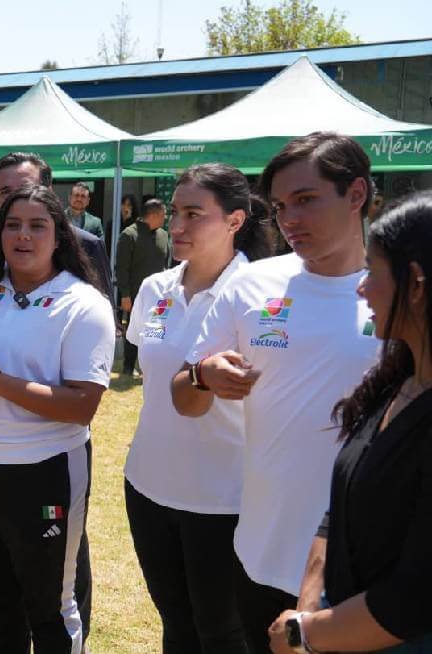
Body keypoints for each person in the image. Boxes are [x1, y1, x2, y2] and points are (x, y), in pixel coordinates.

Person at [171, 132, 381, 653]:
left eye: (307, 200)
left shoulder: (397, 288)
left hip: (365, 558)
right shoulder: (252, 284)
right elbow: (183, 396)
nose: (290, 220)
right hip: (261, 551)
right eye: (282, 206)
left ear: (356, 195)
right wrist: (203, 375)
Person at [0, 184, 115, 654]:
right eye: (12, 224)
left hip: (44, 473)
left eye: (37, 226)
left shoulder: (84, 304)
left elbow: (81, 405)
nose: (23, 236)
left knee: (51, 607)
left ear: (60, 236)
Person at [268, 191, 432, 653]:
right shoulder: (397, 382)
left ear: (415, 284)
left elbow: (411, 600)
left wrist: (303, 635)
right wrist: (307, 608)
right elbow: (337, 511)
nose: (361, 288)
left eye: (372, 272)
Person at [124, 164, 276, 654]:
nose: (178, 227)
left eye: (194, 214)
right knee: (176, 625)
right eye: (174, 213)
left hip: (224, 498)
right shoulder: (155, 290)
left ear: (235, 221)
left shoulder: (264, 294)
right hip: (148, 486)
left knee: (222, 633)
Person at [0, 153, 112, 300]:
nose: (16, 198)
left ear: (49, 192)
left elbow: (105, 314)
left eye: (26, 189)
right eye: (6, 191)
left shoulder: (87, 245)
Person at [116, 198, 170, 375]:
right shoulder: (129, 235)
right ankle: (128, 366)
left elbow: (166, 265)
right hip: (135, 294)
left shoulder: (164, 235)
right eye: (163, 214)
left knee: (157, 330)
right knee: (134, 329)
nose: (166, 217)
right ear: (153, 215)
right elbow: (121, 268)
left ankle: (150, 365)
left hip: (161, 296)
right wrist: (125, 294)